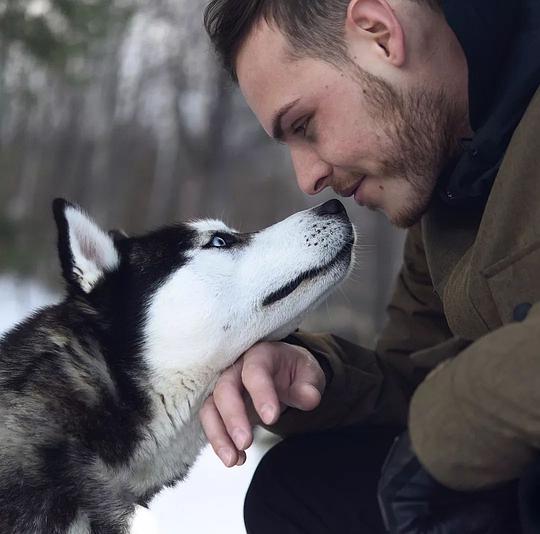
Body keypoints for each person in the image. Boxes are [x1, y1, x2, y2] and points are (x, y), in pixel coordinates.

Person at [199, 0, 540, 532]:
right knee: (299, 489)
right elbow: (414, 375)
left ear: (380, 34)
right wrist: (318, 377)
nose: (306, 178)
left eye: (304, 124)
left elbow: (446, 411)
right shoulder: (448, 195)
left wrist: (454, 421)